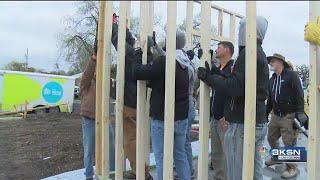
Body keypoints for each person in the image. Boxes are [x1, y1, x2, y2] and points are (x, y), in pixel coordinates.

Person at [197, 16, 269, 180]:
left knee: (237, 172)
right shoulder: (258, 53)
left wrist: (208, 78)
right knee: (255, 170)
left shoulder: (249, 53)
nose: (239, 32)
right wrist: (214, 73)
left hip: (243, 125)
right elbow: (237, 80)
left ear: (249, 30)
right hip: (257, 122)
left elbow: (234, 87)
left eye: (241, 28)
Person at [131, 29, 191, 180]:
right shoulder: (185, 62)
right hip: (181, 118)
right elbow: (161, 77)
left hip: (163, 118)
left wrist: (138, 51)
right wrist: (155, 48)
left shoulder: (165, 62)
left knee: (161, 157)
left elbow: (137, 72)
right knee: (180, 155)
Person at [110, 19, 153, 179]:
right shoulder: (144, 55)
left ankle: (141, 172)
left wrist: (114, 25)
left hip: (129, 102)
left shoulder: (134, 55)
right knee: (135, 138)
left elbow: (117, 41)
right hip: (138, 102)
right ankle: (140, 171)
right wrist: (125, 29)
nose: (136, 43)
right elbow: (129, 41)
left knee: (129, 141)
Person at [265, 53, 307, 179]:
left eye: (273, 61)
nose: (270, 63)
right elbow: (271, 100)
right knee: (271, 138)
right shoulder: (272, 79)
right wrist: (266, 113)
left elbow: (300, 94)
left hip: (289, 115)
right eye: (270, 61)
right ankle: (277, 157)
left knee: (289, 143)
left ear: (280, 63)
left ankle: (292, 168)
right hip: (275, 115)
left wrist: (300, 112)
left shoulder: (292, 76)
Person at [80, 53, 115, 180]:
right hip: (89, 118)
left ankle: (111, 172)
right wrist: (93, 60)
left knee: (111, 145)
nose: (97, 72)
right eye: (95, 70)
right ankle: (89, 175)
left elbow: (113, 93)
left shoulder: (106, 81)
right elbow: (87, 74)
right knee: (89, 149)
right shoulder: (87, 82)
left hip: (104, 119)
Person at [208, 41, 234, 180]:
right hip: (215, 117)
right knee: (217, 153)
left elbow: (231, 93)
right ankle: (219, 177)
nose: (216, 49)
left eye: (219, 47)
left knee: (227, 154)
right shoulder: (220, 67)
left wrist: (227, 115)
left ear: (227, 50)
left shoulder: (232, 69)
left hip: (225, 119)